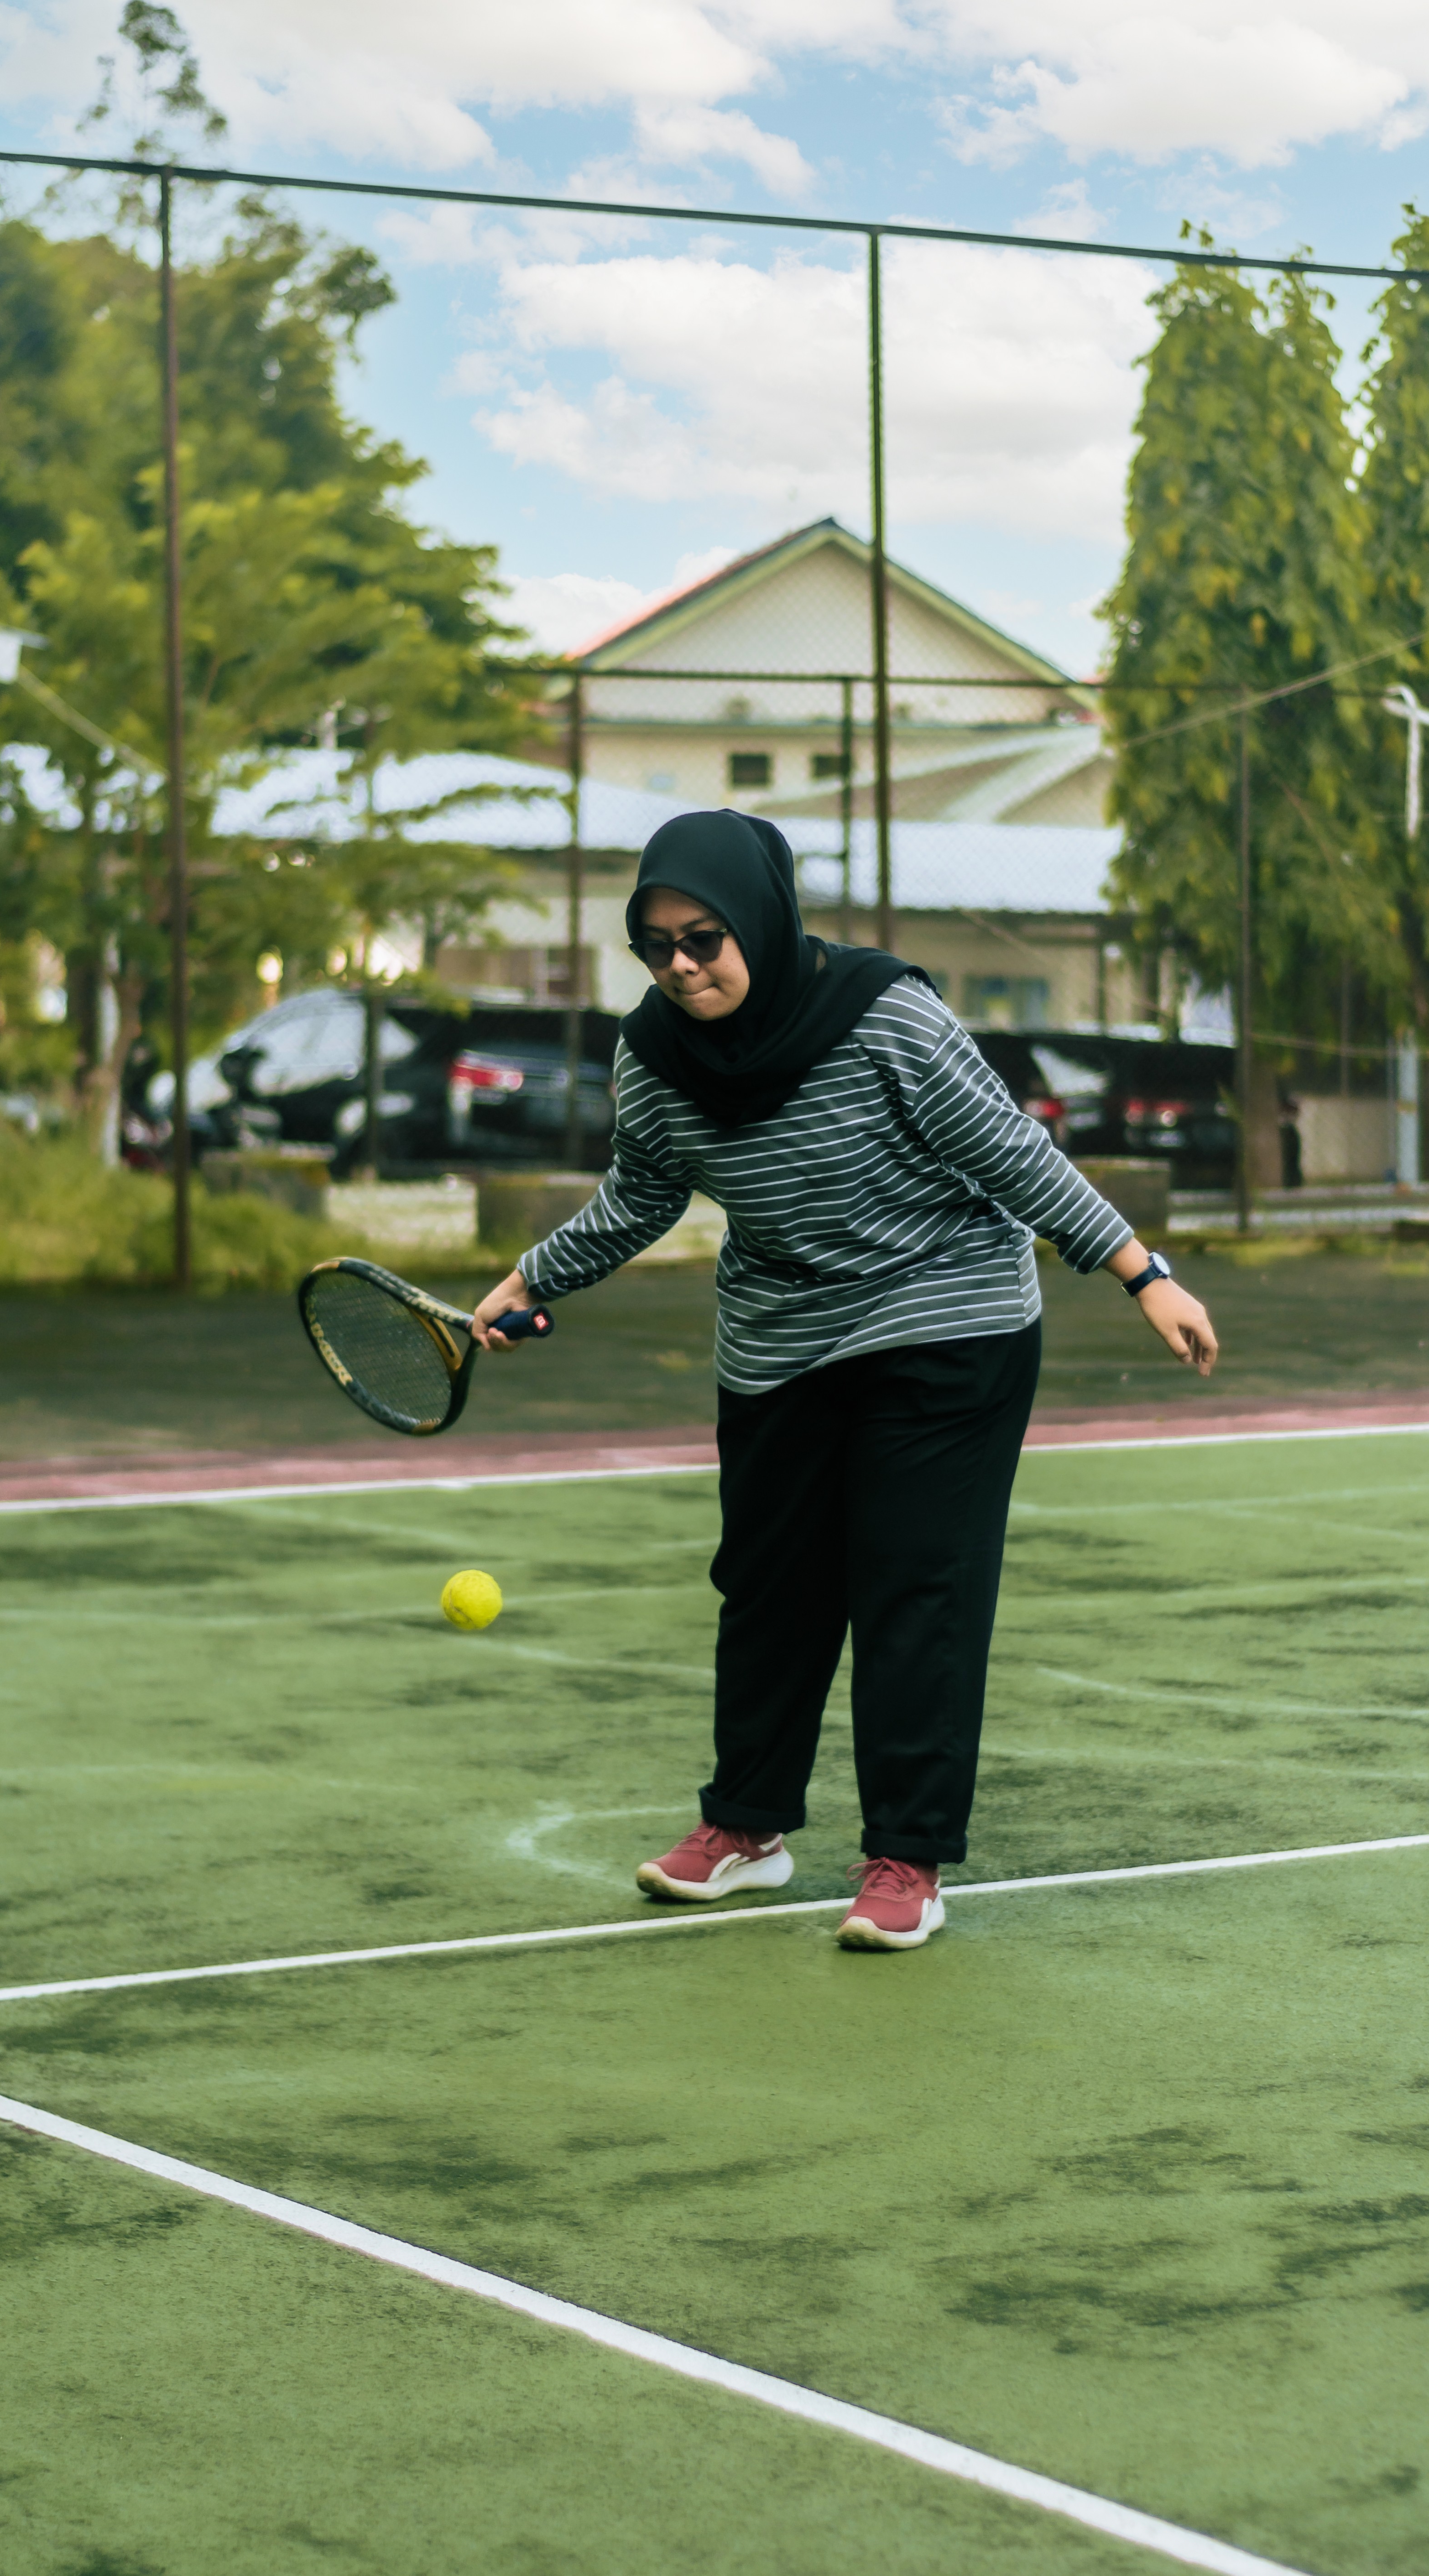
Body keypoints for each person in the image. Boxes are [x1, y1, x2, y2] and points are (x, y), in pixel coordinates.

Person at [472, 809, 1218, 1951]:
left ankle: (905, 1858)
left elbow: (1008, 1150)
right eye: (655, 944)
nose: (680, 965)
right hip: (779, 1338)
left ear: (762, 924)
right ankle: (746, 1829)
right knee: (766, 1588)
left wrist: (1138, 1271)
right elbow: (643, 1194)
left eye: (704, 938)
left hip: (946, 1318)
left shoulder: (884, 1015)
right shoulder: (655, 1053)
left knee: (914, 1582)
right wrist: (533, 1276)